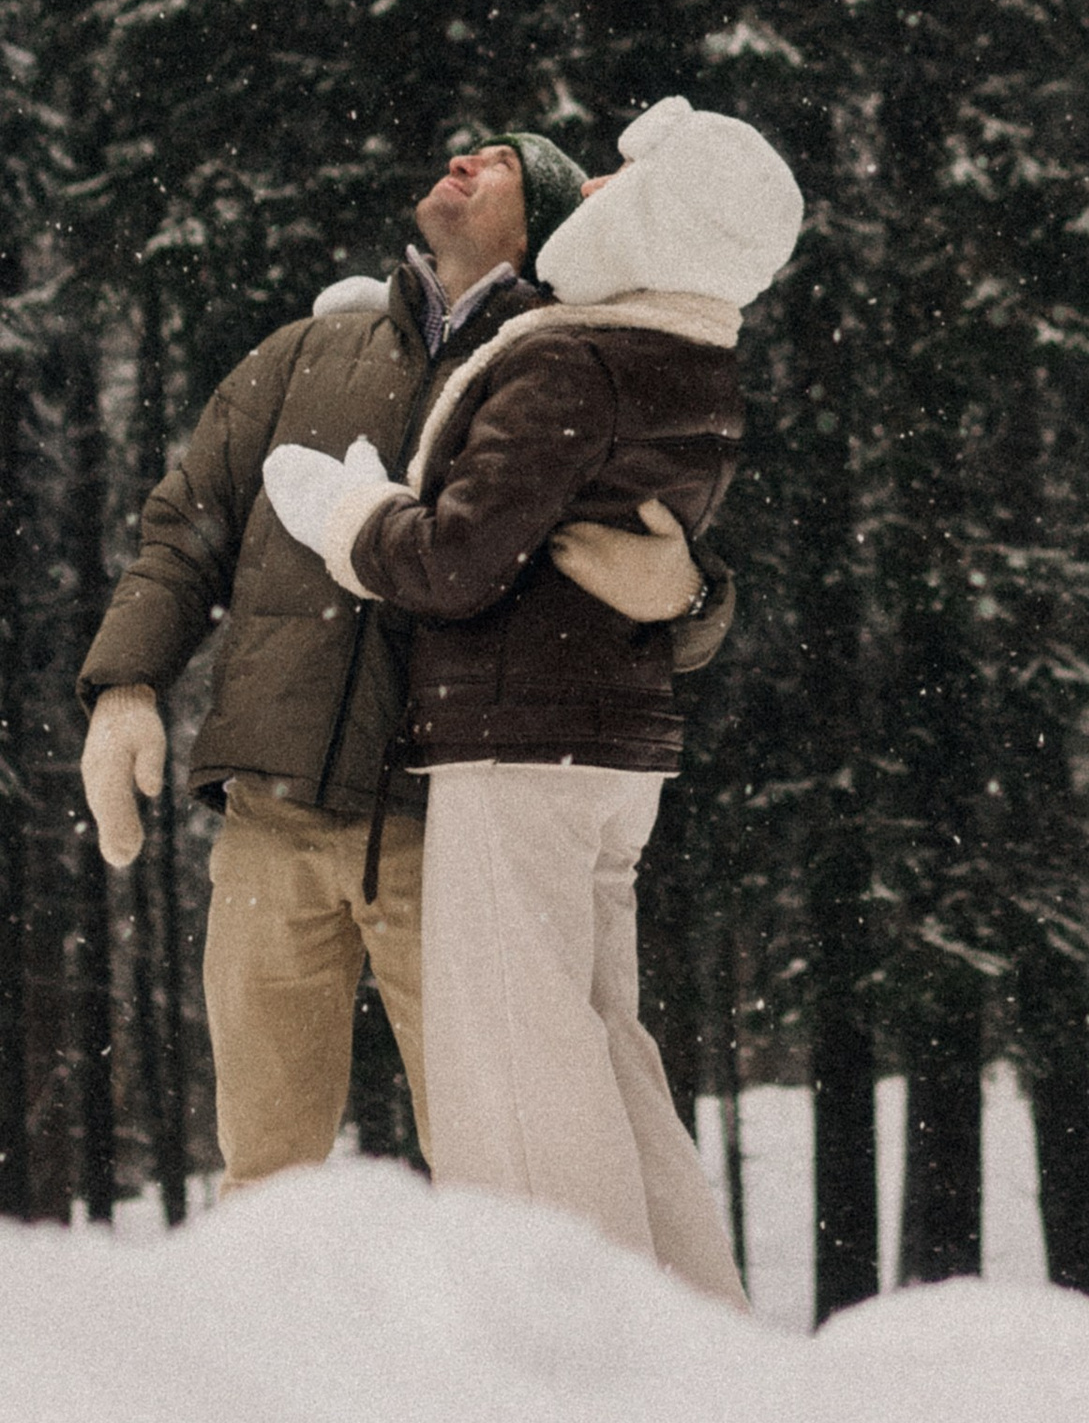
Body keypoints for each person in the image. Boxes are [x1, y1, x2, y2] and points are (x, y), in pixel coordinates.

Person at [76, 129, 733, 1189]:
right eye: (465, 150)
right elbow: (183, 530)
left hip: (451, 834)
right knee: (264, 1179)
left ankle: (519, 1357)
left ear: (548, 230)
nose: (464, 162)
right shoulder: (301, 357)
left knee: (496, 1175)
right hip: (269, 819)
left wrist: (693, 601)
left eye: (503, 164)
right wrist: (124, 686)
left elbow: (667, 550)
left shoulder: (566, 365)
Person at [262, 96, 801, 1303]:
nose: (593, 196)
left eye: (617, 182)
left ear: (663, 215)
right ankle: (691, 1323)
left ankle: (574, 1344)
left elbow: (458, 560)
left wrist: (349, 519)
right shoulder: (688, 357)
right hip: (606, 748)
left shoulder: (576, 354)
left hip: (525, 741)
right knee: (605, 1046)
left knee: (517, 1058)